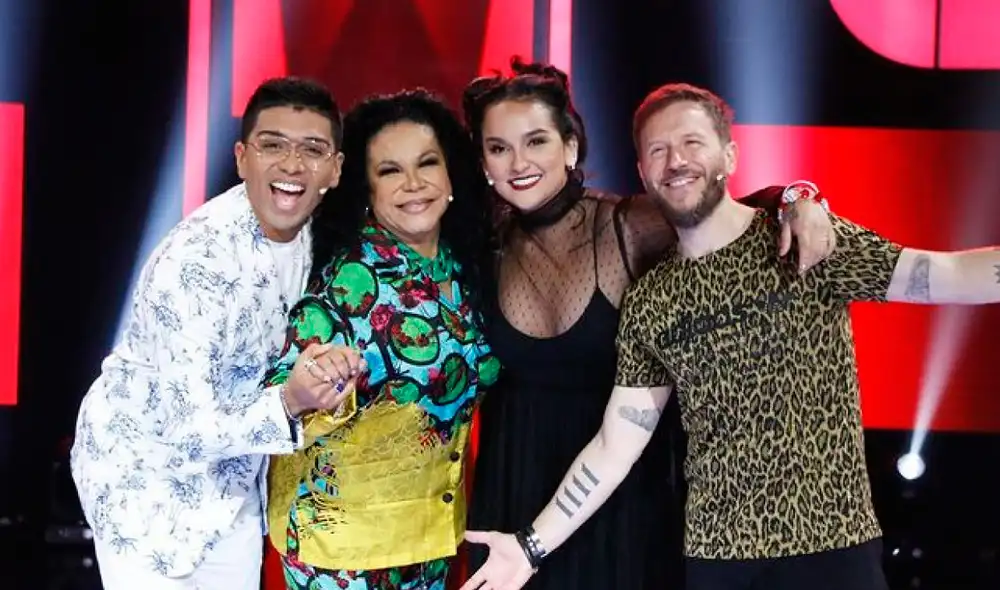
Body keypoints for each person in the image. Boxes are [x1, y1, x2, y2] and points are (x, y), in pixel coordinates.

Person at [461, 82, 1000, 590]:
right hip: (716, 559)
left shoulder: (806, 246)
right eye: (659, 150)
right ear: (643, 173)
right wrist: (529, 549)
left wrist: (797, 197)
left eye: (692, 142)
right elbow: (614, 447)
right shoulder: (652, 300)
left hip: (831, 544)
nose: (677, 161)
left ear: (730, 157)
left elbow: (947, 275)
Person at [459, 59, 837, 590]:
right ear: (484, 163)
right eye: (499, 148)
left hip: (621, 493)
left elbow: (740, 212)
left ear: (570, 148)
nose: (518, 162)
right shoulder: (483, 247)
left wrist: (799, 197)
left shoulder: (628, 224)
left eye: (536, 141)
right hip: (512, 485)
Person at [69, 77, 361, 589]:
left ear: (335, 169)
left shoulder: (322, 238)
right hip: (145, 486)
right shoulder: (196, 263)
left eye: (312, 149)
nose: (292, 165)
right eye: (273, 145)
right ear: (243, 157)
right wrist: (291, 402)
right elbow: (188, 426)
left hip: (230, 490)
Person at [263, 89, 499, 590]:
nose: (413, 184)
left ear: (452, 173)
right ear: (366, 189)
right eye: (390, 171)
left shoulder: (462, 266)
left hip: (428, 539)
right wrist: (311, 388)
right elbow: (286, 387)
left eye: (426, 164)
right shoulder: (351, 280)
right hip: (344, 552)